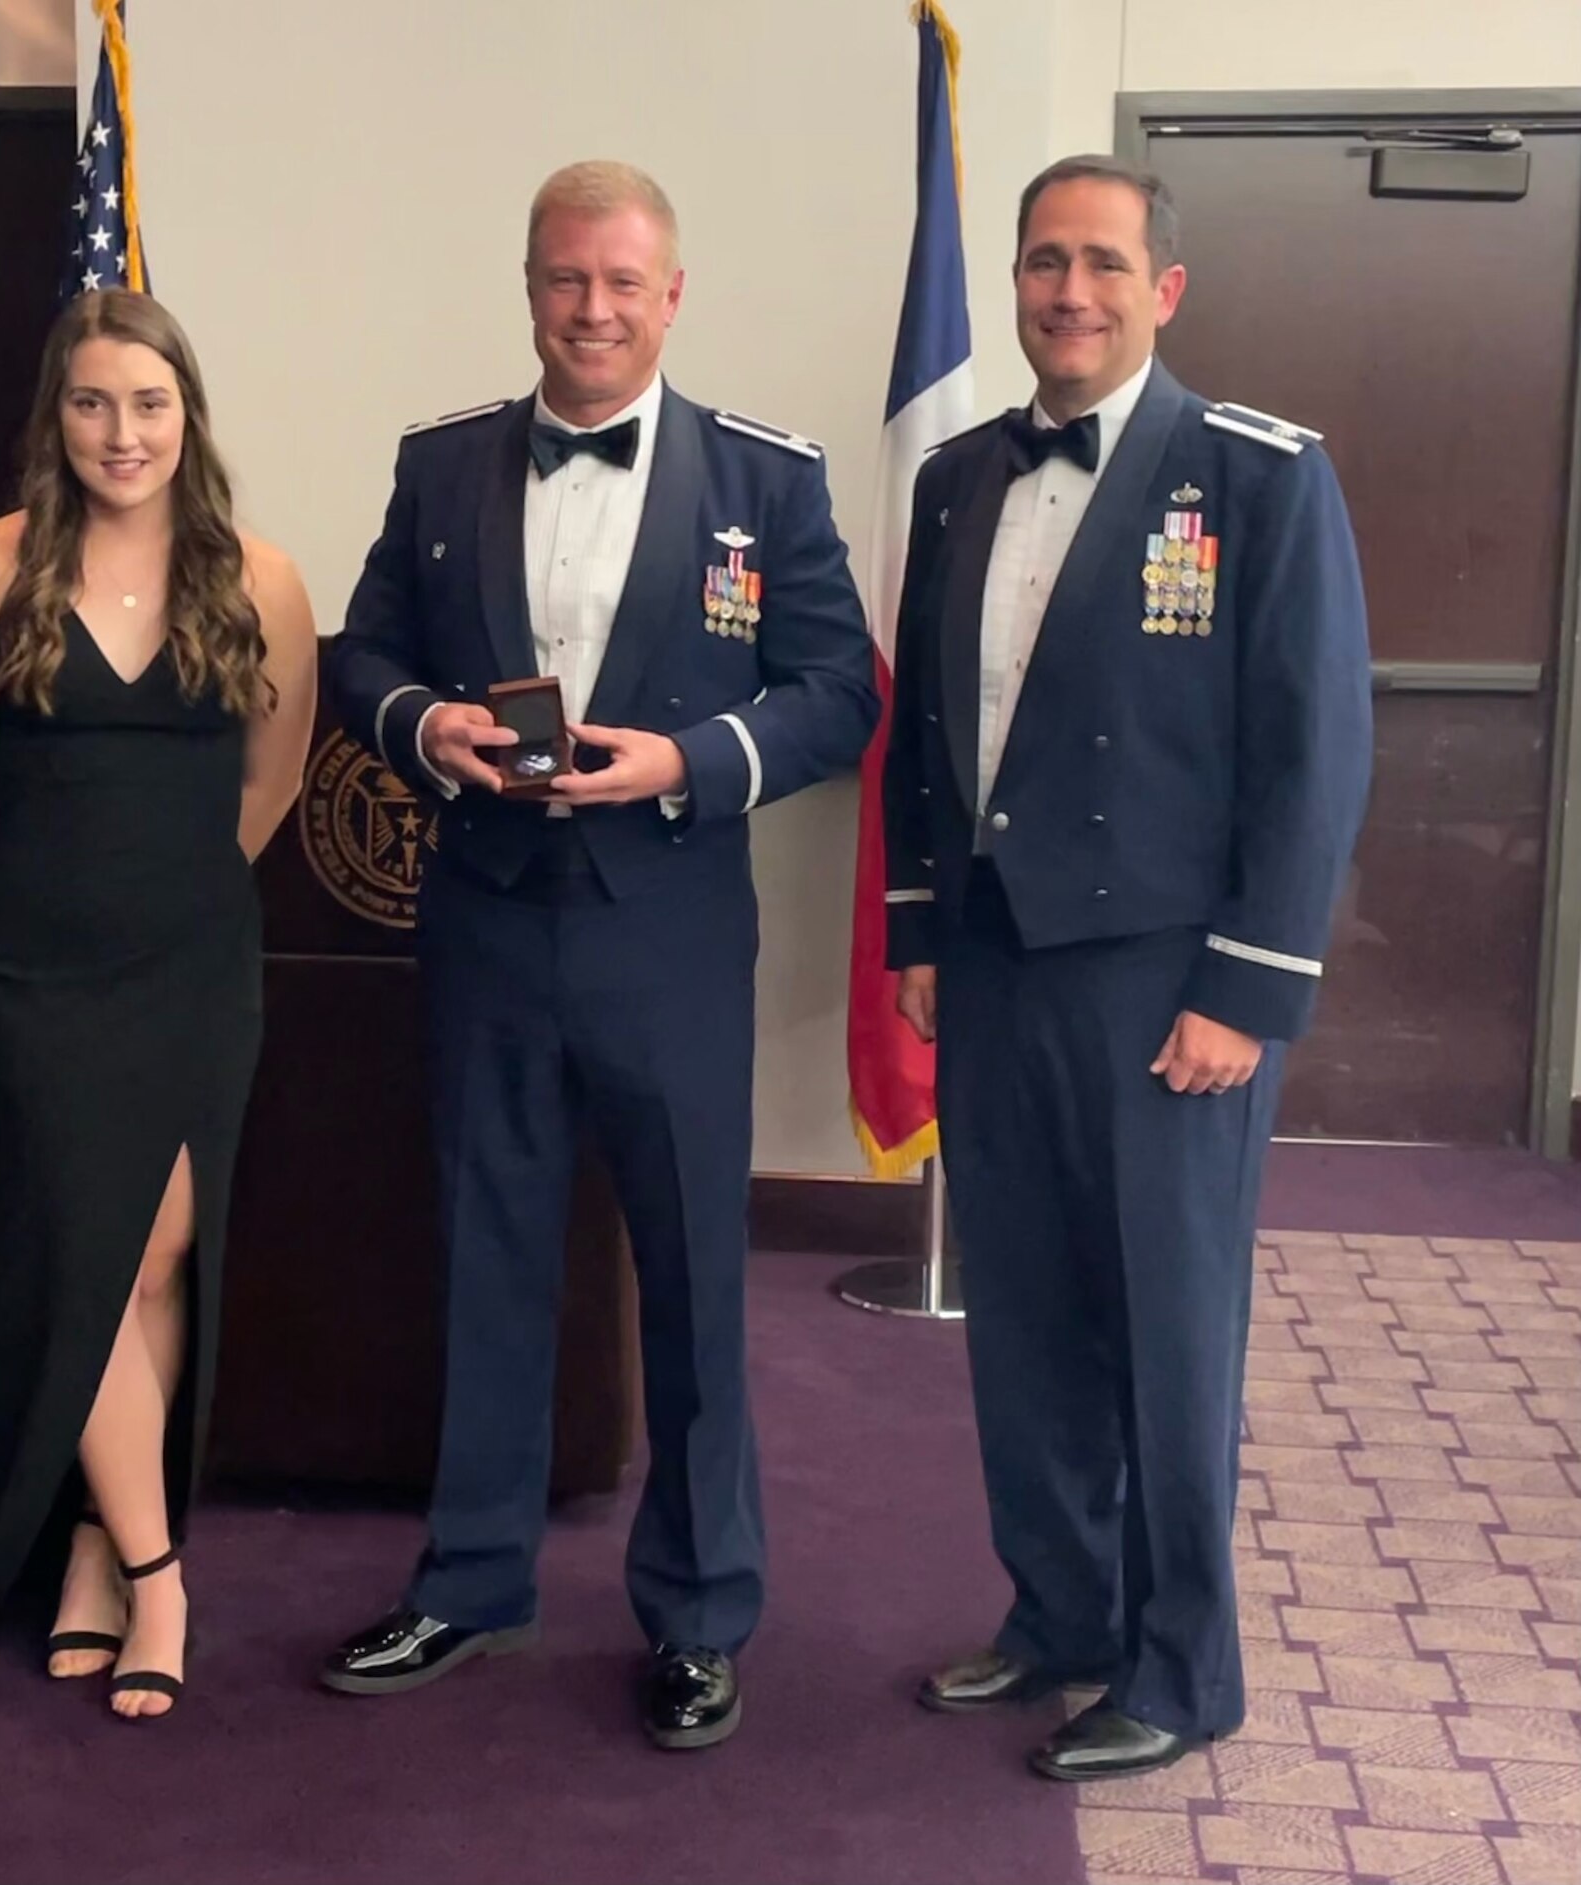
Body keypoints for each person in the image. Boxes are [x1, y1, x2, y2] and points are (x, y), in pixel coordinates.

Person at [318, 160, 877, 1749]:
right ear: (529, 287)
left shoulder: (766, 481)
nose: (595, 310)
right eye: (568, 280)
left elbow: (837, 691)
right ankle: (473, 1577)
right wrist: (427, 726)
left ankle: (700, 1613)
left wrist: (688, 760)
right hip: (488, 924)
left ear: (674, 295)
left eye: (626, 283)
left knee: (695, 1280)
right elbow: (363, 653)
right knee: (487, 1261)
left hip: (672, 937)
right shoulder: (439, 468)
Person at [882, 154, 1372, 1779]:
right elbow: (930, 740)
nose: (1066, 292)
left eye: (1100, 263)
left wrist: (1249, 987)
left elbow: (1312, 758)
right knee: (1021, 1314)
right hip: (1004, 966)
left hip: (1173, 984)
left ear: (1163, 289)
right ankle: (1060, 1614)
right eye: (1042, 263)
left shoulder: (1258, 475)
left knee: (1168, 1330)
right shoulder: (955, 479)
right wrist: (921, 928)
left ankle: (1181, 1663)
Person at [0, 288, 317, 1719]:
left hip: (193, 970)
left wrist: (172, 889)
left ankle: (101, 1548)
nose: (123, 432)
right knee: (82, 1255)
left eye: (150, 404)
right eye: (94, 402)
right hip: (34, 975)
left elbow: (274, 776)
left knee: (157, 1257)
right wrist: (34, 891)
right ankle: (162, 1572)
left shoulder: (258, 577)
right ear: (58, 417)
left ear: (190, 417)